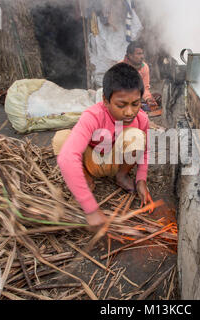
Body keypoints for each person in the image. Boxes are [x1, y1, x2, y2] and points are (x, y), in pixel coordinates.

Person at [54, 63, 153, 227]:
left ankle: (121, 175)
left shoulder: (141, 118)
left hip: (115, 161)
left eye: (135, 104)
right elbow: (67, 158)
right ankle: (86, 177)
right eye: (121, 105)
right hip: (91, 160)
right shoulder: (93, 116)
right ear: (106, 101)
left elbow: (145, 151)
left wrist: (141, 179)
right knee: (62, 139)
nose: (129, 112)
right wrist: (91, 209)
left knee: (137, 137)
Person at [121, 41, 158, 110]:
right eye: (139, 54)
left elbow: (144, 88)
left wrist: (148, 99)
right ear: (130, 55)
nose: (142, 57)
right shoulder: (119, 67)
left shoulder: (144, 67)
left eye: (142, 54)